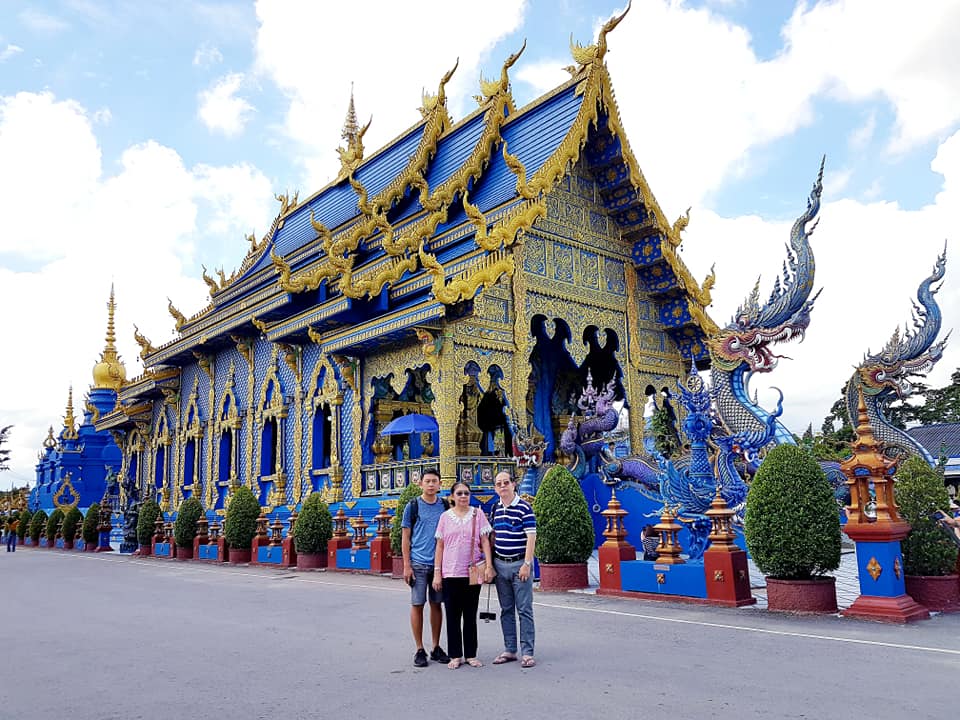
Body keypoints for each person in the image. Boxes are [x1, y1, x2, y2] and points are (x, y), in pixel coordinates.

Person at [432, 482, 493, 669]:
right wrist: (437, 573)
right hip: (450, 572)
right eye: (459, 493)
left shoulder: (478, 514)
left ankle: (471, 654)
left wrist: (489, 565)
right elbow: (440, 546)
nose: (463, 496)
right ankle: (455, 655)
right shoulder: (444, 517)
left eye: (466, 493)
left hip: (472, 572)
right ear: (452, 496)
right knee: (452, 614)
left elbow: (485, 541)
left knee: (470, 614)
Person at [401, 467, 450, 668]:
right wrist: (406, 565)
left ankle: (436, 646)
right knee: (417, 604)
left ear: (439, 485)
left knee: (437, 605)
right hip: (418, 563)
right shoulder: (412, 506)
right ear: (420, 483)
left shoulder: (445, 506)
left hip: (439, 565)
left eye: (434, 481)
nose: (431, 484)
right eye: (427, 481)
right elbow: (405, 537)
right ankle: (419, 648)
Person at [489, 470, 537, 668]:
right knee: (506, 609)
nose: (502, 486)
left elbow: (531, 537)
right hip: (500, 565)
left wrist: (526, 564)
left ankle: (527, 652)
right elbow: (492, 537)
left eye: (505, 482)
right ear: (495, 488)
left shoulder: (524, 508)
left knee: (524, 609)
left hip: (519, 564)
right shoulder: (495, 508)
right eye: (499, 484)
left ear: (513, 484)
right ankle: (510, 649)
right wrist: (489, 565)